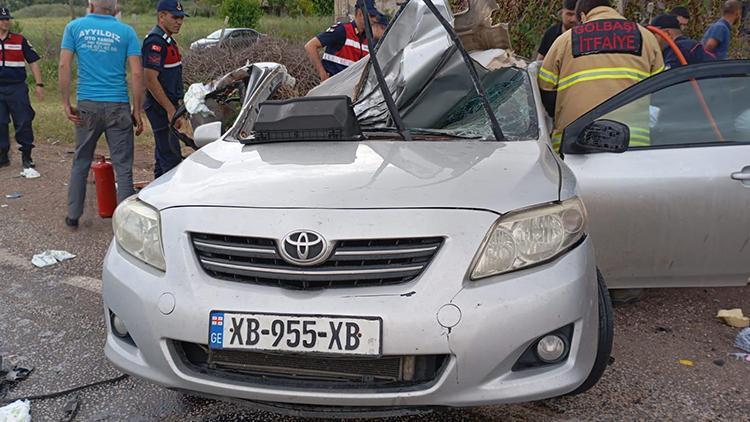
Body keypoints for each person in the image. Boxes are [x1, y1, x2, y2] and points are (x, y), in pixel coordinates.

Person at [59, 0, 143, 228]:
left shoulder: (74, 27)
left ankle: (73, 216)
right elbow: (137, 73)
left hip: (88, 104)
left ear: (90, 3)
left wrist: (66, 102)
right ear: (115, 6)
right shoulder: (126, 31)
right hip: (118, 104)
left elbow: (64, 66)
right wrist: (137, 109)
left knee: (81, 160)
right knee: (123, 166)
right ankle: (124, 225)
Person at [538, 0, 664, 150]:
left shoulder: (566, 40)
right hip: (633, 142)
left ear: (583, 16)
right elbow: (660, 91)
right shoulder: (646, 38)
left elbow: (545, 88)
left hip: (575, 142)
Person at [143, 0, 187, 178]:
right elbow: (150, 79)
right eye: (175, 17)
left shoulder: (167, 41)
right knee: (171, 159)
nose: (179, 22)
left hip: (170, 105)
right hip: (160, 108)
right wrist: (170, 110)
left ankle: (154, 196)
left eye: (181, 18)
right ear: (161, 17)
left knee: (163, 156)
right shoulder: (155, 42)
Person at [0, 7, 43, 170]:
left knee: (23, 120)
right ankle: (3, 154)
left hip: (17, 87)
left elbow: (33, 61)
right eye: (3, 19)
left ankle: (27, 155)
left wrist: (39, 84)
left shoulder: (19, 40)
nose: (6, 21)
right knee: (0, 122)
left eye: (8, 19)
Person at [304, 0, 388, 82]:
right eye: (371, 16)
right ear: (360, 14)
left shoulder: (368, 38)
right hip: (333, 89)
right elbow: (310, 46)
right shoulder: (342, 30)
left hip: (350, 90)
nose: (374, 20)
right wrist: (322, 74)